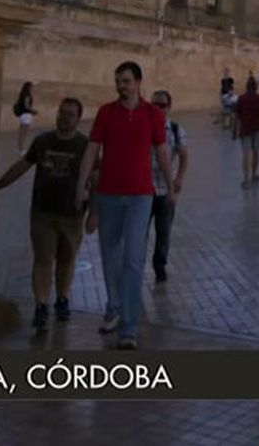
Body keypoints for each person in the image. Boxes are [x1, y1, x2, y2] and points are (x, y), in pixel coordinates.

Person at [76, 62, 174, 350]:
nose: (122, 86)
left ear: (139, 83)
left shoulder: (151, 114)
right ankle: (114, 306)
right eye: (118, 81)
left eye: (127, 81)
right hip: (108, 194)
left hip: (140, 196)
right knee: (110, 257)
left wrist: (170, 186)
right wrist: (81, 185)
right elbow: (92, 150)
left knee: (133, 259)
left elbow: (162, 151)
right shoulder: (106, 113)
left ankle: (129, 326)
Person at [0, 97, 88, 333]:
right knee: (43, 259)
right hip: (43, 213)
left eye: (69, 114)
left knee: (66, 259)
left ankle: (63, 299)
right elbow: (23, 165)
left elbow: (95, 179)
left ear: (78, 119)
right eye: (61, 112)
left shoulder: (84, 146)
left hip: (72, 215)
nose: (64, 118)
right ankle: (41, 304)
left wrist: (95, 210)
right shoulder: (42, 141)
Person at [148, 90, 188, 284]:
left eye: (161, 105)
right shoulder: (143, 126)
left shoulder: (174, 129)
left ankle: (160, 265)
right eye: (154, 104)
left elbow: (183, 156)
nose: (157, 108)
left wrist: (179, 179)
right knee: (139, 231)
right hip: (144, 189)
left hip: (165, 188)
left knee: (163, 231)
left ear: (169, 107)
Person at [234, 77, 259, 188]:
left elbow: (237, 116)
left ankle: (246, 179)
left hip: (245, 129)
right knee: (256, 152)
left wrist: (234, 130)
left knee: (246, 155)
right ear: (256, 87)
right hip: (257, 129)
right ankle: (254, 174)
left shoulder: (241, 99)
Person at [12, 81, 38, 150]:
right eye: (31, 87)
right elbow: (27, 106)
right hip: (26, 115)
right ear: (28, 87)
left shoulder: (22, 95)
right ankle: (22, 149)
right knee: (23, 134)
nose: (32, 88)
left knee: (21, 133)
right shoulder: (27, 95)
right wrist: (33, 111)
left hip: (23, 115)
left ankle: (21, 148)